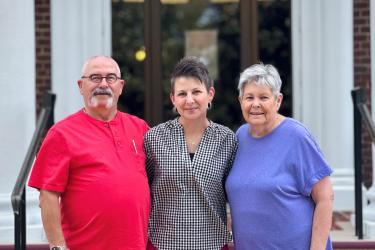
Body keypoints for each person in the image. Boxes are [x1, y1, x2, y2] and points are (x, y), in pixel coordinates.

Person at [28, 56, 150, 250]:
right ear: (81, 85)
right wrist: (58, 247)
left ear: (120, 86)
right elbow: (48, 195)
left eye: (110, 78)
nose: (103, 84)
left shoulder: (140, 128)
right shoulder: (62, 133)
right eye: (95, 77)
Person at [226, 63, 334, 250]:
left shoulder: (297, 136)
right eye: (249, 97)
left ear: (278, 100)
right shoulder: (239, 137)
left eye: (264, 97)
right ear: (240, 100)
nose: (255, 104)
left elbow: (325, 197)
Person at [144, 56, 237, 250]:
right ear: (173, 98)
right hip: (163, 243)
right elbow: (142, 190)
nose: (189, 100)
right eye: (182, 93)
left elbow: (237, 193)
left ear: (210, 94)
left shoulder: (227, 140)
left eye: (196, 92)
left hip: (212, 243)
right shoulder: (154, 138)